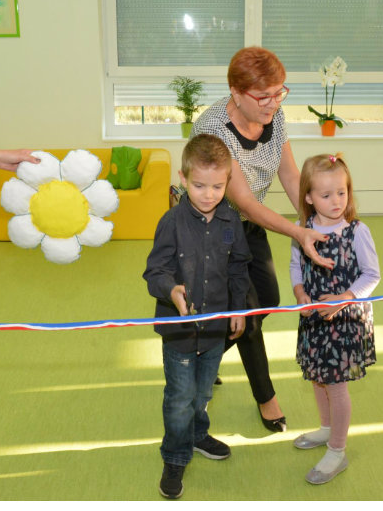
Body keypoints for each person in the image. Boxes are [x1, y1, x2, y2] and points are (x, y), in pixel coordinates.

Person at [192, 46, 333, 433]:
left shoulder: (273, 114)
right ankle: (266, 397)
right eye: (263, 96)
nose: (273, 102)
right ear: (236, 93)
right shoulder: (214, 130)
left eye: (279, 92)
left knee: (267, 298)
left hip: (246, 224)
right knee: (248, 312)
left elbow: (289, 174)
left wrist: (315, 219)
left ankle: (203, 356)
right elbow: (246, 204)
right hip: (212, 225)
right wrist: (298, 232)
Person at [143, 134, 252, 499]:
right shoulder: (171, 222)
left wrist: (239, 309)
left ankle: (197, 434)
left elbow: (238, 268)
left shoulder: (231, 220)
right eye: (199, 185)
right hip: (179, 332)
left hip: (215, 329)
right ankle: (175, 456)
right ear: (183, 178)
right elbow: (154, 272)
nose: (208, 194)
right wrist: (171, 290)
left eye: (217, 186)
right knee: (180, 397)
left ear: (228, 181)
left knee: (203, 392)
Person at [288, 153, 380, 485]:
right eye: (326, 195)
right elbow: (296, 266)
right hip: (315, 318)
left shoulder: (356, 231)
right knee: (318, 378)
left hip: (344, 321)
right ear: (309, 198)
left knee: (336, 386)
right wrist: (300, 293)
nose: (336, 201)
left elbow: (372, 275)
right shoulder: (302, 230)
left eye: (342, 192)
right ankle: (326, 428)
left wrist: (344, 299)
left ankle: (337, 450)